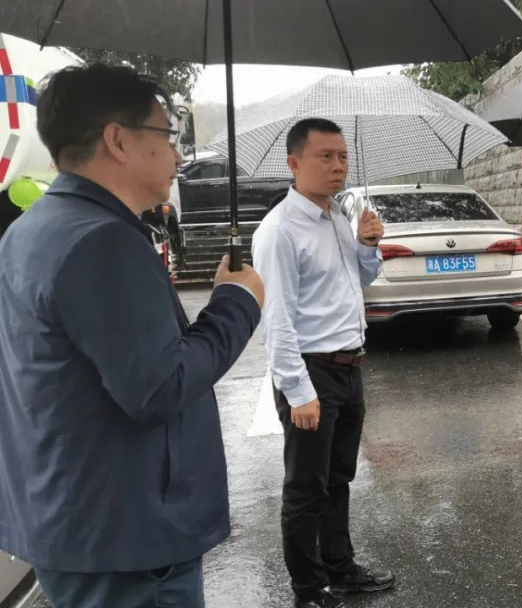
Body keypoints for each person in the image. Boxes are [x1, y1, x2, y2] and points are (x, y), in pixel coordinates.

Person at [0, 64, 264, 608]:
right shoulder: (102, 242)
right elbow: (160, 387)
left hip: (72, 520)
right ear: (118, 140)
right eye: (167, 136)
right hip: (129, 541)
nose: (177, 157)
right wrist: (237, 302)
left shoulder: (31, 229)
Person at [252, 118, 393, 608]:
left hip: (349, 366)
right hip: (311, 372)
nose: (338, 166)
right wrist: (298, 391)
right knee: (306, 489)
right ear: (294, 163)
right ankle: (308, 591)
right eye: (325, 157)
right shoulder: (279, 231)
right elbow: (276, 320)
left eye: (343, 157)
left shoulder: (336, 216)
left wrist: (368, 246)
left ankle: (341, 568)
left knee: (338, 479)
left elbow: (358, 280)